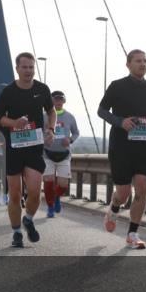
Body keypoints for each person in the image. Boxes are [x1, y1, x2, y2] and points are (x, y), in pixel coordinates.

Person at [98, 49, 146, 250]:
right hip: (121, 146)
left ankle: (132, 234)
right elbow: (102, 110)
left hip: (144, 146)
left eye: (145, 61)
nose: (143, 64)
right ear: (128, 64)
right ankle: (114, 208)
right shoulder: (117, 86)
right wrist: (120, 122)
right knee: (123, 193)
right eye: (138, 61)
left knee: (142, 188)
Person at [0, 52, 55, 248]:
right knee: (15, 193)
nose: (28, 71)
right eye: (24, 67)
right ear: (17, 69)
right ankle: (17, 232)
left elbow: (51, 110)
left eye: (31, 67)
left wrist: (51, 129)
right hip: (13, 148)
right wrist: (14, 123)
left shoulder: (42, 89)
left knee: (35, 192)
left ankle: (28, 219)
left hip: (34, 147)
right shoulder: (9, 91)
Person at [43, 90, 80, 218]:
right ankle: (50, 207)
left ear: (64, 101)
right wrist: (44, 140)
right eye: (55, 99)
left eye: (60, 99)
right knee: (48, 181)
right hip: (47, 153)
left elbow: (76, 133)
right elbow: (37, 132)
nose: (58, 102)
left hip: (64, 154)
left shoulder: (70, 117)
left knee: (63, 185)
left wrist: (70, 140)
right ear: (51, 101)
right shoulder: (44, 116)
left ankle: (56, 197)